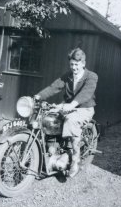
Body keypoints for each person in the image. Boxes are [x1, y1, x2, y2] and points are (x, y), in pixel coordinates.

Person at [36, 47, 98, 177]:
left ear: (83, 64)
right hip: (68, 106)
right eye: (71, 64)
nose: (74, 67)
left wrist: (72, 105)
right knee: (49, 117)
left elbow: (86, 94)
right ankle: (52, 149)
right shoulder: (67, 76)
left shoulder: (91, 76)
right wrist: (38, 96)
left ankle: (75, 159)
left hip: (84, 108)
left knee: (71, 121)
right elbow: (53, 87)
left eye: (76, 64)